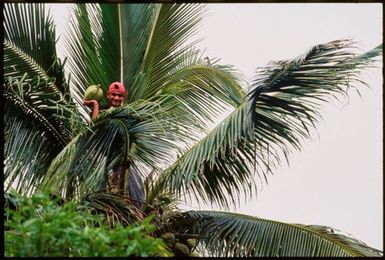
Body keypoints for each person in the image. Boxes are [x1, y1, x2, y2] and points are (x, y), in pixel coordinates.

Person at [83, 82, 144, 208]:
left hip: (123, 161)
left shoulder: (128, 114)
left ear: (123, 97)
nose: (116, 98)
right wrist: (95, 104)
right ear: (108, 95)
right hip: (106, 161)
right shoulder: (102, 111)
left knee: (135, 194)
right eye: (114, 95)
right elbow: (95, 126)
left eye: (120, 96)